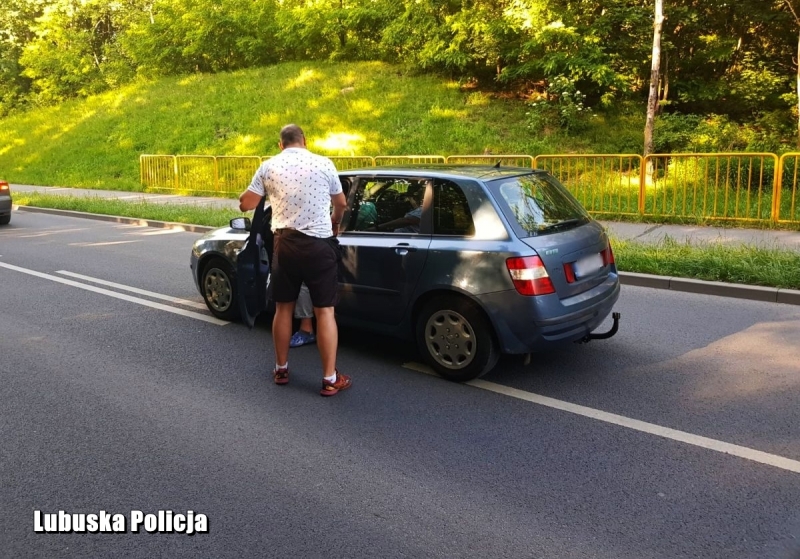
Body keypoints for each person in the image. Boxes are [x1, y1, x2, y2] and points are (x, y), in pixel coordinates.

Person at [239, 124, 351, 396]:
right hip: (319, 246)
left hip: (285, 244)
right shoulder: (324, 163)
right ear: (305, 140)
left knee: (283, 308)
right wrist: (335, 221)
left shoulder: (268, 167)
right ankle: (328, 378)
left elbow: (246, 204)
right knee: (324, 311)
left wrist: (261, 192)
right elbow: (341, 203)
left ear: (281, 144)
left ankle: (281, 368)